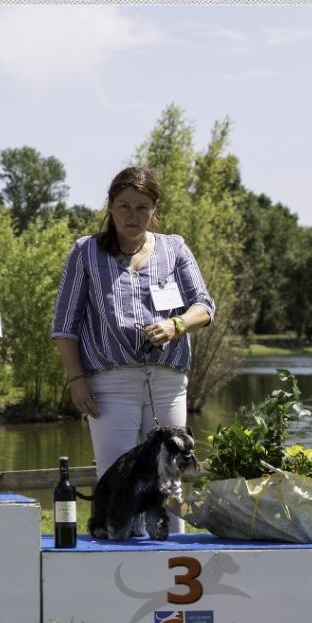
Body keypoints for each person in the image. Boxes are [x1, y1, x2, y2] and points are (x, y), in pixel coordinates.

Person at [51, 166, 215, 534]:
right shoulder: (86, 252)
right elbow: (65, 326)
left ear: (154, 209)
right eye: (124, 206)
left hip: (168, 381)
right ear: (110, 206)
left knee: (170, 479)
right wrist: (76, 378)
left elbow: (204, 307)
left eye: (142, 207)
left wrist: (177, 325)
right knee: (117, 476)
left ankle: (169, 555)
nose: (132, 215)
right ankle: (121, 555)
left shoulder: (174, 248)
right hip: (111, 384)